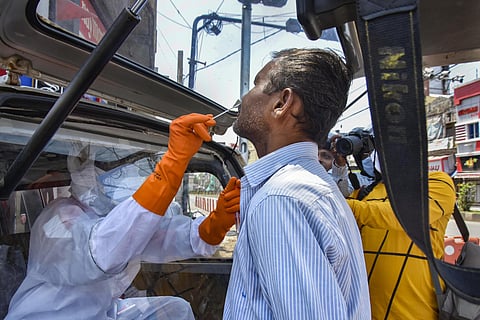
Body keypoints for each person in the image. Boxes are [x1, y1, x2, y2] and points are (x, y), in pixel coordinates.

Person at [6, 113, 241, 320]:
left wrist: (215, 225)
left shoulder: (109, 215)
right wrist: (169, 170)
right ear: (86, 168)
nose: (128, 171)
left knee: (175, 310)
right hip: (46, 316)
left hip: (100, 312)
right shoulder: (57, 217)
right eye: (115, 164)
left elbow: (165, 236)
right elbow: (103, 250)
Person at [223, 48, 371, 319]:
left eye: (256, 84)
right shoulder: (309, 187)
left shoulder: (281, 198)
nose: (244, 97)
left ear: (282, 103)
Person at [346, 150, 456, 319]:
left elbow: (406, 216)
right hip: (365, 311)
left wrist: (349, 206)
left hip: (417, 313)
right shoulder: (363, 193)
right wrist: (336, 163)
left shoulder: (436, 182)